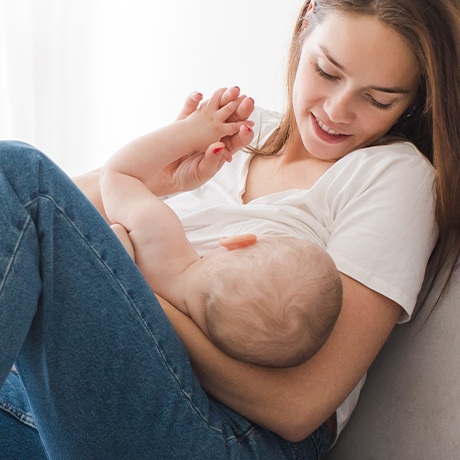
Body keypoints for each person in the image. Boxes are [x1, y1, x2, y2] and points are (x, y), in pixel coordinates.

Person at [1, 0, 459, 459]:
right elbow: (38, 218)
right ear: (304, 28)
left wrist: (130, 288)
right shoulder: (237, 126)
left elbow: (299, 407)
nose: (338, 111)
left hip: (228, 434)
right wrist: (159, 181)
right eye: (327, 72)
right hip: (91, 396)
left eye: (378, 99)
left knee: (18, 167)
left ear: (411, 102)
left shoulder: (394, 175)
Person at [100, 87, 343, 368]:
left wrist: (189, 132)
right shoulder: (189, 346)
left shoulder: (160, 236)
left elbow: (118, 173)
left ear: (237, 241)